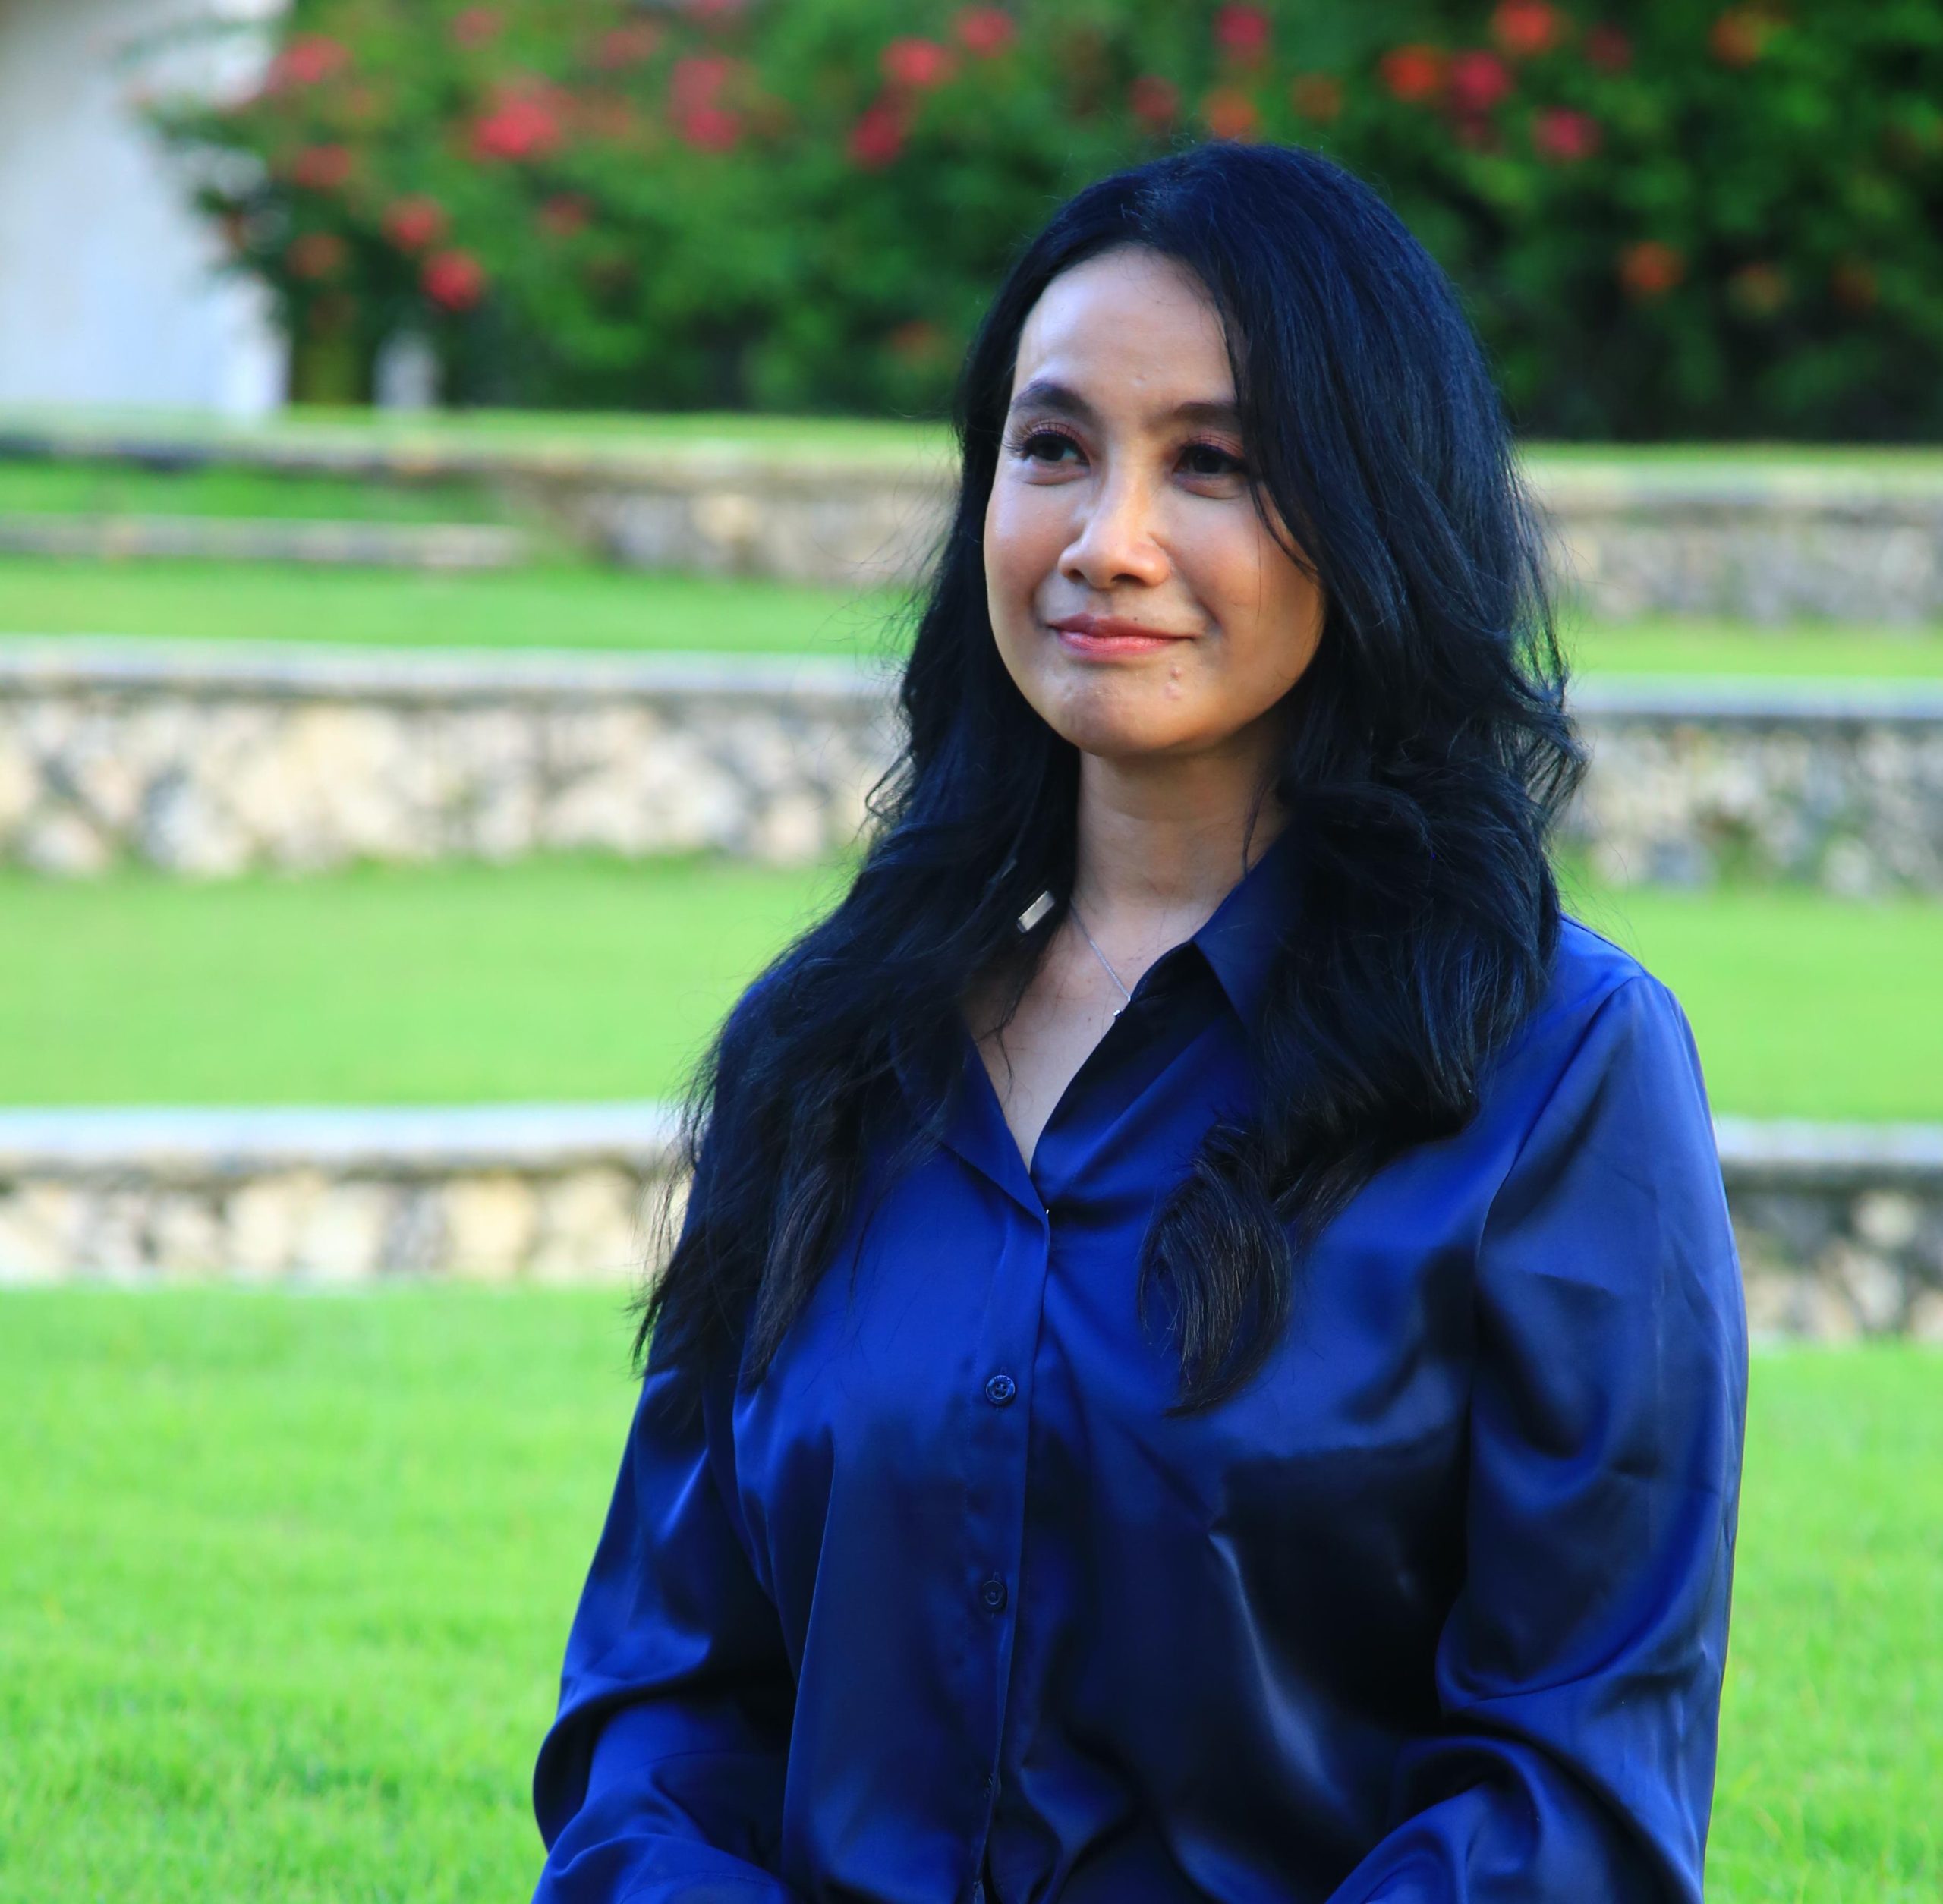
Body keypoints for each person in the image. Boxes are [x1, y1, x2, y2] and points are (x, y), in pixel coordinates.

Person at [528, 141, 1748, 1904]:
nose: (1106, 543)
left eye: (1213, 464)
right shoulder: (826, 1050)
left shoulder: (1557, 1071)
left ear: (1372, 506)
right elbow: (658, 1710)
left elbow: (1568, 1796)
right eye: (1052, 449)